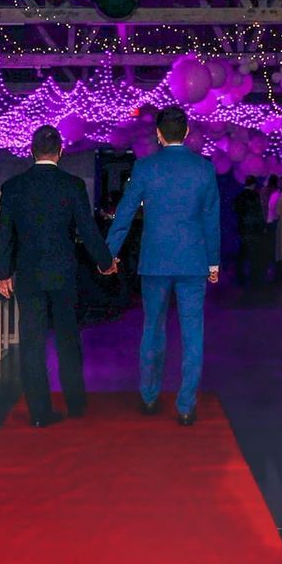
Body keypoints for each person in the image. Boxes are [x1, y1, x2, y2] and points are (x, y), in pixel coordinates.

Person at [0, 127, 116, 429]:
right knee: (67, 338)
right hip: (63, 273)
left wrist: (2, 273)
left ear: (31, 150)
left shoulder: (13, 187)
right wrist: (105, 262)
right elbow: (87, 230)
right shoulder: (72, 185)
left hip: (29, 274)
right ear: (60, 151)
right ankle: (75, 403)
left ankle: (38, 412)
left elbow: (4, 234)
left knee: (32, 342)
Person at [107, 106, 220, 425]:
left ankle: (148, 397)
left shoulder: (145, 168)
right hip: (194, 260)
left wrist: (109, 253)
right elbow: (212, 219)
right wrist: (213, 261)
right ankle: (186, 406)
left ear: (158, 134)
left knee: (152, 329)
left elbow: (126, 211)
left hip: (155, 261)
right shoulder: (204, 169)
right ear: (186, 133)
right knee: (193, 332)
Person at [234, 177, 270, 286]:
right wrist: (263, 226)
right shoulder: (255, 196)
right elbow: (258, 213)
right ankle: (255, 277)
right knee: (254, 253)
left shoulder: (239, 196)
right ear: (253, 185)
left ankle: (240, 276)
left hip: (243, 228)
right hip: (254, 229)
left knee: (243, 252)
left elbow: (235, 210)